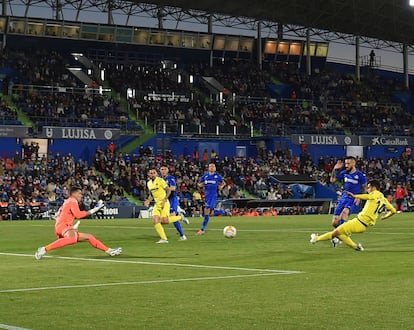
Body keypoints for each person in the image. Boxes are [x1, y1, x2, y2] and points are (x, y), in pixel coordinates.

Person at [34, 186, 122, 260]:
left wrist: (71, 227)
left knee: (89, 237)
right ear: (74, 194)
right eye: (80, 193)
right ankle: (44, 249)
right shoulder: (73, 201)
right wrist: (93, 210)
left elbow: (60, 215)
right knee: (72, 239)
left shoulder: (67, 201)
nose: (81, 195)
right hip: (64, 225)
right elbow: (78, 215)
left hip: (61, 226)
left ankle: (110, 251)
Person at [310, 180, 396, 251]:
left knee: (336, 232)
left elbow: (367, 196)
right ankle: (356, 247)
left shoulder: (374, 194)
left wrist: (355, 196)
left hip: (359, 222)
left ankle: (316, 239)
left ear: (374, 188)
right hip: (362, 225)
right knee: (340, 234)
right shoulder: (384, 199)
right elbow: (393, 211)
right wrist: (385, 217)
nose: (367, 189)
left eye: (368, 187)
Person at [330, 156, 366, 246]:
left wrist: (359, 197)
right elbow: (332, 180)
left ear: (353, 163)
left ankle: (340, 237)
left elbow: (364, 187)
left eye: (348, 163)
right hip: (343, 197)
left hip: (353, 198)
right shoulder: (344, 173)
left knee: (344, 213)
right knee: (334, 222)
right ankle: (343, 234)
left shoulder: (360, 175)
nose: (346, 165)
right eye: (345, 163)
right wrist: (335, 169)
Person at [144, 167, 183, 243]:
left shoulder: (160, 180)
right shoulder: (149, 183)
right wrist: (148, 200)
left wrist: (165, 199)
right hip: (157, 204)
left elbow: (168, 190)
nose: (152, 174)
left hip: (164, 203)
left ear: (156, 173)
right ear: (148, 174)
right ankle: (164, 239)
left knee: (164, 221)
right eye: (151, 173)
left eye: (154, 173)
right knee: (155, 220)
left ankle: (180, 217)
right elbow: (151, 194)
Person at [159, 164, 189, 241]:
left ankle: (182, 235)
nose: (163, 171)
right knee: (163, 221)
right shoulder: (159, 179)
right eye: (162, 169)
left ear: (167, 170)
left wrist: (165, 189)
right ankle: (180, 216)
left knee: (172, 216)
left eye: (165, 169)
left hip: (172, 199)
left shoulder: (170, 178)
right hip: (165, 200)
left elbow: (173, 188)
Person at [197, 163, 225, 235]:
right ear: (208, 168)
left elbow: (223, 183)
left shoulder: (217, 176)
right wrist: (200, 185)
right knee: (210, 213)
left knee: (207, 211)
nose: (212, 168)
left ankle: (202, 229)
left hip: (213, 196)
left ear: (215, 168)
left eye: (213, 166)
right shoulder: (205, 176)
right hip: (207, 196)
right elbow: (199, 183)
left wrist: (221, 187)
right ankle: (224, 212)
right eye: (210, 166)